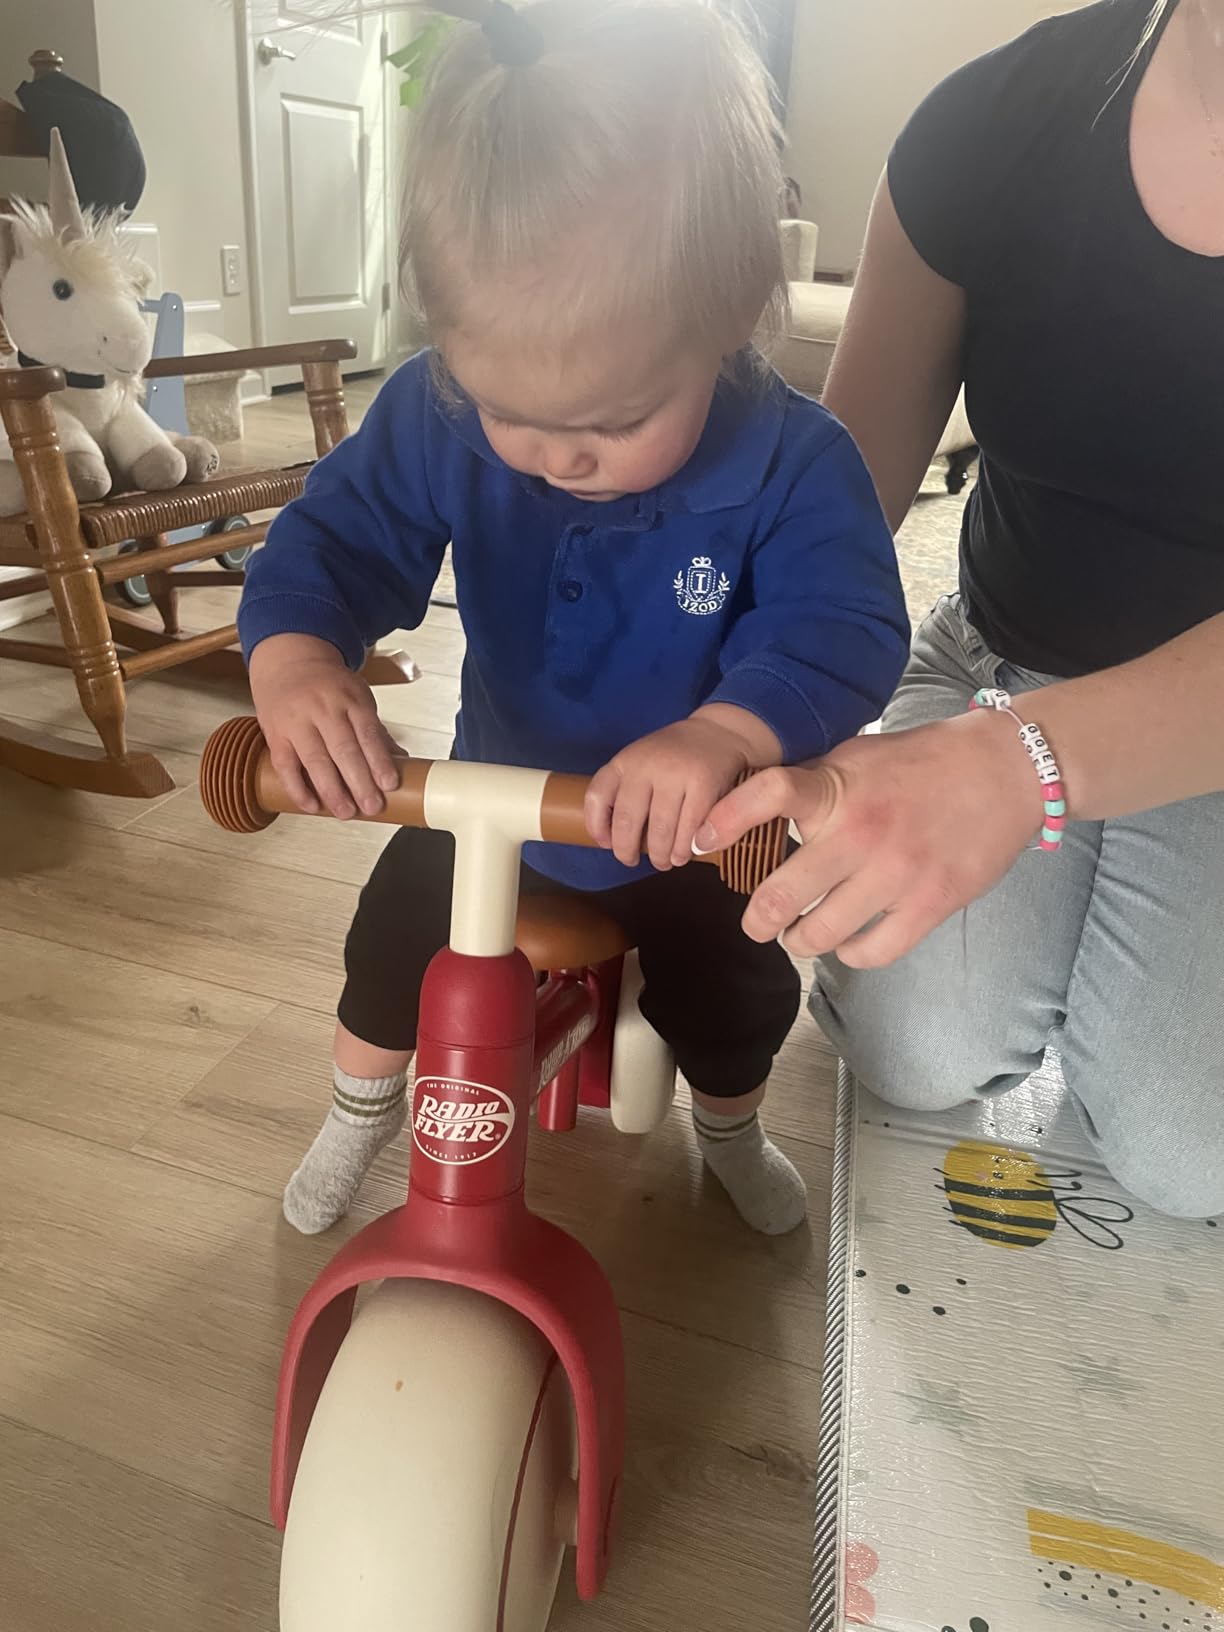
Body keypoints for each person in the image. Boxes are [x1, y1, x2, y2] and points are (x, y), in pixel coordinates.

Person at [237, 0, 909, 1237]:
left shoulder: (794, 462)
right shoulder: (437, 411)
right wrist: (295, 656)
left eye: (613, 422)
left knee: (738, 990)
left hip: (686, 834)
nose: (557, 457)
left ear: (727, 317)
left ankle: (731, 1128)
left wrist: (727, 734)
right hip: (495, 801)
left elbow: (846, 625)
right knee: (387, 951)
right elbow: (336, 537)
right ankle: (355, 1111)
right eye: (507, 412)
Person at [700, 0, 1224, 1220]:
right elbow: (834, 513)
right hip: (1006, 652)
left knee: (1188, 1147)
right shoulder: (987, 127)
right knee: (917, 1043)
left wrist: (1023, 766)